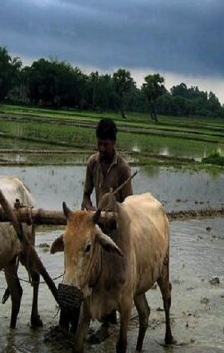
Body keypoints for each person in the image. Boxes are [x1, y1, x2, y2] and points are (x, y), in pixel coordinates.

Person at [81, 118, 133, 343]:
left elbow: (129, 205)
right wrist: (89, 207)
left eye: (105, 145)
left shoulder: (123, 168)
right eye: (99, 144)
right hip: (95, 226)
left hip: (114, 230)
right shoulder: (93, 162)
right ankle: (89, 311)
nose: (101, 149)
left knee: (111, 276)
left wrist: (111, 216)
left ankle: (107, 321)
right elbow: (86, 194)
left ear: (114, 143)